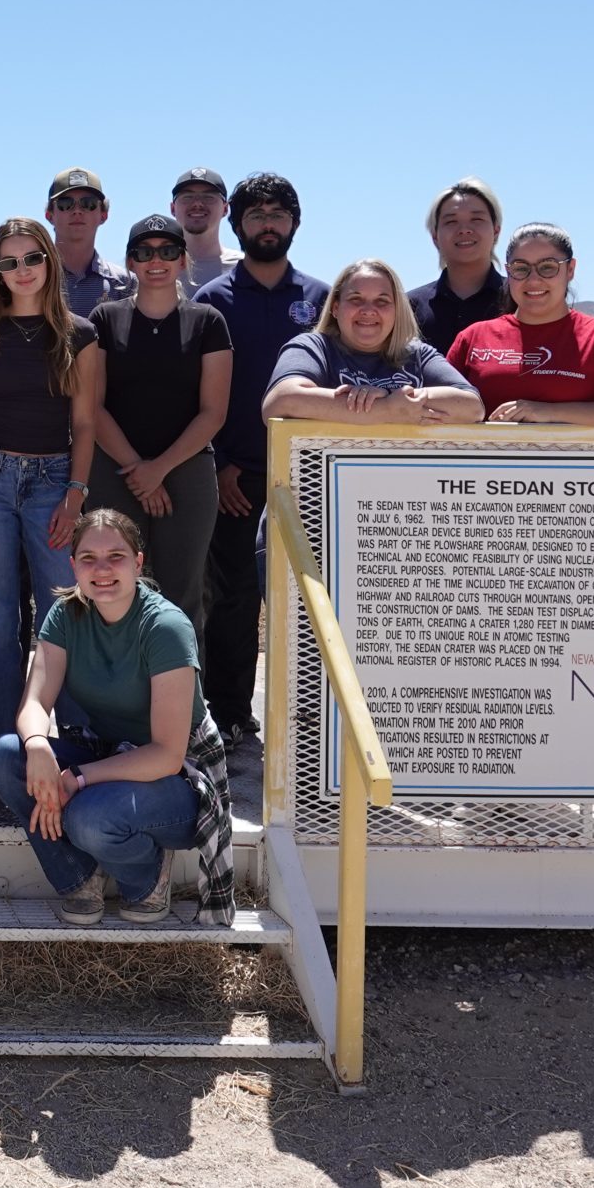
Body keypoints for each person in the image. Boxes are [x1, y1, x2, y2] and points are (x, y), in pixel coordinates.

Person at [0, 511, 236, 927]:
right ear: (73, 566)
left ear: (138, 563)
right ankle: (78, 876)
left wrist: (77, 777)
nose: (101, 570)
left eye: (115, 556)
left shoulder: (166, 627)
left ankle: (146, 879)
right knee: (5, 755)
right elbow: (34, 703)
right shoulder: (66, 615)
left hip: (176, 780)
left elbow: (166, 756)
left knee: (91, 816)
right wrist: (36, 746)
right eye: (88, 558)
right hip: (108, 753)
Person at [193, 173, 329, 758]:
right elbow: (194, 396)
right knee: (232, 600)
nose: (267, 223)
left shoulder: (326, 299)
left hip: (311, 472)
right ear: (237, 224)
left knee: (311, 601)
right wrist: (219, 463)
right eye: (255, 214)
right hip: (236, 476)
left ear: (294, 223)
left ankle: (312, 721)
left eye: (278, 213)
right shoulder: (212, 301)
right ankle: (230, 714)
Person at [0, 218, 101, 740]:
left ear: (49, 261)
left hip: (54, 481)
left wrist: (74, 497)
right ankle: (5, 743)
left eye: (31, 258)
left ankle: (76, 738)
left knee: (65, 614)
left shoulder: (80, 334)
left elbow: (85, 423)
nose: (22, 270)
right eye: (9, 261)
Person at [86, 214, 232, 635]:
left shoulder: (207, 321)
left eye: (167, 251)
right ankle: (117, 699)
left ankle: (184, 701)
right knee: (112, 590)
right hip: (115, 471)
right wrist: (139, 471)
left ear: (183, 260)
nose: (156, 260)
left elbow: (213, 413)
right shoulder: (104, 319)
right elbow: (93, 408)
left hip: (187, 473)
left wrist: (158, 470)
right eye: (144, 252)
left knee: (182, 596)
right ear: (130, 262)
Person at [450, 224, 594, 430]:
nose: (533, 280)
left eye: (547, 267)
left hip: (577, 464)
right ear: (508, 272)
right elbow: (438, 405)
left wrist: (549, 412)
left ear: (570, 269)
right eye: (521, 268)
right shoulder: (473, 338)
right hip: (483, 464)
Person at [262, 258, 484, 426]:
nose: (368, 311)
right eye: (356, 299)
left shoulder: (417, 354)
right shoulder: (313, 347)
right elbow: (281, 401)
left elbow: (472, 407)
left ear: (397, 311)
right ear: (336, 308)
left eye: (382, 301)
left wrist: (391, 395)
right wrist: (387, 410)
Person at [408, 178, 512, 355]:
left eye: (476, 219)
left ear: (496, 231)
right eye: (451, 222)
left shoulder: (519, 300)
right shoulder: (407, 308)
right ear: (435, 236)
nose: (464, 229)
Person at [45, 167, 137, 315]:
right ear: (50, 215)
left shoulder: (125, 283)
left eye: (88, 203)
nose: (77, 211)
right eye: (65, 203)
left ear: (103, 215)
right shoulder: (33, 277)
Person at [170, 168, 239, 297]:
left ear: (225, 209)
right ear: (173, 209)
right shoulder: (154, 268)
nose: (197, 204)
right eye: (187, 197)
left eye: (208, 197)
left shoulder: (243, 268)